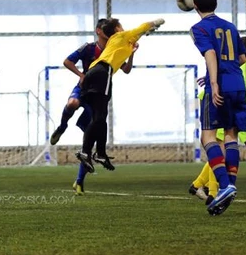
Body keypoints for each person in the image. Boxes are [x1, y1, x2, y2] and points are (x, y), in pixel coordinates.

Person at [49, 18, 137, 195]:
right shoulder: (89, 48)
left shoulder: (114, 49)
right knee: (72, 103)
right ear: (98, 31)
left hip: (99, 94)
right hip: (84, 88)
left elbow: (126, 69)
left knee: (91, 135)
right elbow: (67, 61)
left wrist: (132, 53)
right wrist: (81, 75)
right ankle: (62, 126)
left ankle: (79, 181)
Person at [189, 36, 246, 203]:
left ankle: (202, 187)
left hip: (215, 104)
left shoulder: (226, 64)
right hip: (235, 108)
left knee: (218, 149)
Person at [75, 17, 163, 173]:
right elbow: (141, 28)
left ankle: (100, 153)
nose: (123, 29)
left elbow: (127, 65)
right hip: (102, 72)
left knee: (100, 117)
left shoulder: (118, 42)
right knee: (99, 117)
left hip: (94, 73)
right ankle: (86, 151)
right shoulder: (120, 36)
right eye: (121, 26)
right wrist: (155, 23)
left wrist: (134, 49)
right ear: (116, 29)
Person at [190, 0, 246, 216]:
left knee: (208, 137)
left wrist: (213, 82)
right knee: (231, 135)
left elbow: (211, 54)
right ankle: (229, 186)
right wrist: (225, 70)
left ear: (195, 6)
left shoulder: (199, 28)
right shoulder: (230, 26)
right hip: (238, 84)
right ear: (216, 4)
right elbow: (241, 58)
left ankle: (225, 186)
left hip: (221, 85)